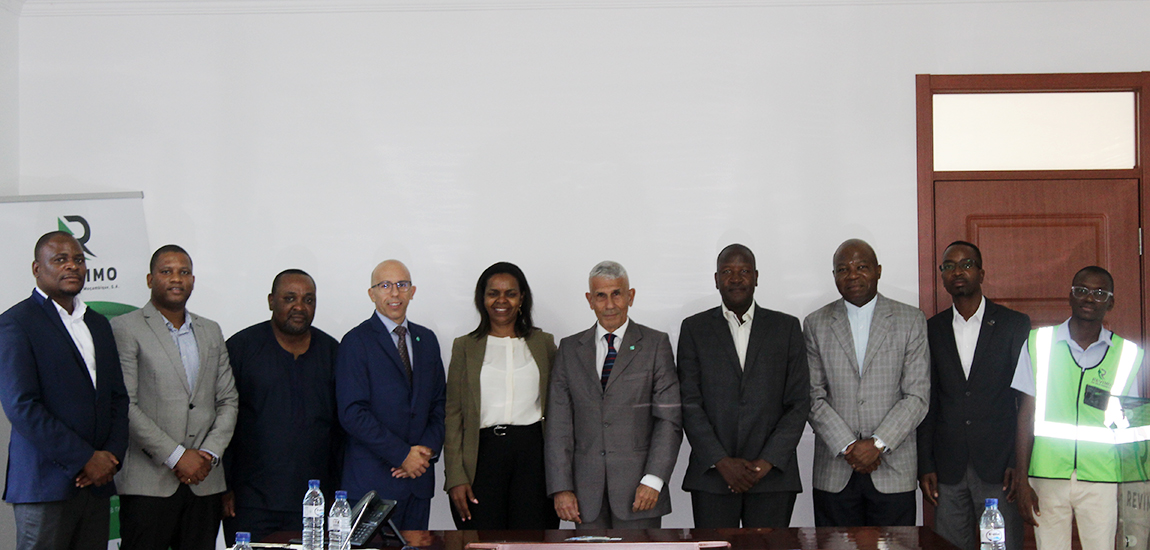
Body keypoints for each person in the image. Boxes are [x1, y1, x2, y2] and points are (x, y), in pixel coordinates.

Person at [0, 231, 129, 550]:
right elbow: (22, 406)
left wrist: (109, 459)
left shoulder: (98, 324)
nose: (72, 266)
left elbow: (117, 398)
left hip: (97, 486)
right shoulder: (16, 323)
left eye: (78, 260)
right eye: (60, 260)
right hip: (46, 486)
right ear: (36, 268)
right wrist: (85, 458)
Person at [111, 244, 239, 550]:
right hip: (148, 483)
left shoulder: (211, 330)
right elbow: (125, 404)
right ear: (149, 279)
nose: (176, 279)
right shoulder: (125, 328)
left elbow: (228, 400)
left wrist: (207, 454)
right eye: (166, 271)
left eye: (184, 272)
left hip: (204, 481)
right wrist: (178, 456)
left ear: (193, 280)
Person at [677, 244, 811, 528]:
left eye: (744, 271)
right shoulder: (694, 329)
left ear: (756, 277)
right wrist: (721, 461)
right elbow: (689, 403)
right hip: (713, 478)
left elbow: (799, 403)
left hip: (773, 477)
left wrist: (765, 462)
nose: (736, 279)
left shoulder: (786, 328)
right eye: (727, 272)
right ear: (716, 279)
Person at [1013, 266, 1144, 550]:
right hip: (1046, 476)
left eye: (1099, 293)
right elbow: (1025, 414)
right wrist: (1022, 480)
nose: (1089, 298)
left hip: (1102, 479)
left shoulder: (1127, 354)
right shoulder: (1039, 343)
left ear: (1110, 302)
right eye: (1082, 290)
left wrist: (1131, 489)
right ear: (1070, 296)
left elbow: (1129, 426)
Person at [545, 261, 682, 529]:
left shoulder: (656, 345)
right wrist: (561, 487)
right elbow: (558, 425)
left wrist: (654, 479)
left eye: (617, 294)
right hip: (584, 498)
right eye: (601, 296)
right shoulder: (570, 349)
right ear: (590, 300)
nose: (609, 304)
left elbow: (669, 420)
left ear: (630, 296)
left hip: (641, 493)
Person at [804, 238, 929, 527]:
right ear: (834, 276)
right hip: (835, 470)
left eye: (862, 267)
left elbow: (917, 395)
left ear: (878, 271)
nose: (852, 275)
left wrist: (878, 444)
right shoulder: (815, 323)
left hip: (893, 468)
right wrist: (849, 446)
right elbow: (812, 396)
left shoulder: (910, 319)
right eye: (843, 269)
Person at [916, 241, 1029, 550]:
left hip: (999, 467)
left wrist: (1017, 462)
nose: (957, 271)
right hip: (947, 466)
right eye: (949, 266)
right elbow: (928, 401)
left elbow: (1026, 401)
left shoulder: (1013, 325)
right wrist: (924, 463)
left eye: (966, 264)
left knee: (1002, 546)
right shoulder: (931, 329)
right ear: (942, 276)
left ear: (981, 272)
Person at [222, 269, 342, 543]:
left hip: (315, 504)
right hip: (250, 502)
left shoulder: (332, 352)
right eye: (290, 298)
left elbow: (341, 431)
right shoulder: (241, 348)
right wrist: (223, 487)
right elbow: (221, 420)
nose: (300, 306)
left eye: (308, 299)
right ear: (271, 301)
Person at [443, 262, 560, 529]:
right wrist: (455, 477)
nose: (501, 300)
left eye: (511, 293)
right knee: (483, 539)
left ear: (522, 299)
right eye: (493, 293)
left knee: (532, 540)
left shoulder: (544, 344)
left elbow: (558, 410)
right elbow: (453, 416)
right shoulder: (465, 347)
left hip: (534, 457)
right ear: (482, 299)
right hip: (482, 458)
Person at [336, 259, 446, 530]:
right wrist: (401, 455)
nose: (394, 293)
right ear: (372, 294)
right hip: (371, 485)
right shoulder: (355, 342)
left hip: (418, 482)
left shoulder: (427, 340)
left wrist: (424, 454)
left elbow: (439, 404)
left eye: (402, 285)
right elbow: (352, 413)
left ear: (413, 291)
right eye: (385, 285)